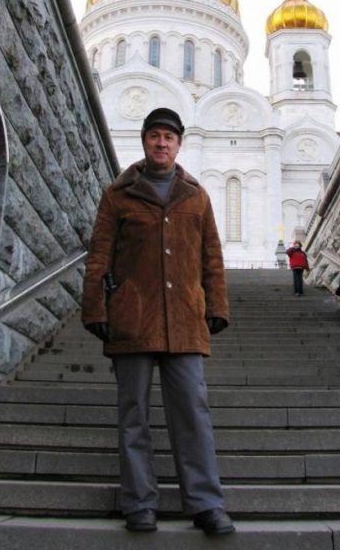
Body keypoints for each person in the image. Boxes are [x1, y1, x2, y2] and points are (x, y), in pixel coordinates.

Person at [82, 107, 235, 536]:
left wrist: (216, 306)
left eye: (169, 136)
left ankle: (206, 504)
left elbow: (212, 257)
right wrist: (95, 307)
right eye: (154, 136)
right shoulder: (118, 194)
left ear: (179, 144)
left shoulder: (196, 195)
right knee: (134, 415)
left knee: (192, 412)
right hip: (132, 317)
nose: (161, 143)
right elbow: (99, 254)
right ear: (145, 141)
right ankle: (139, 503)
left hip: (185, 319)